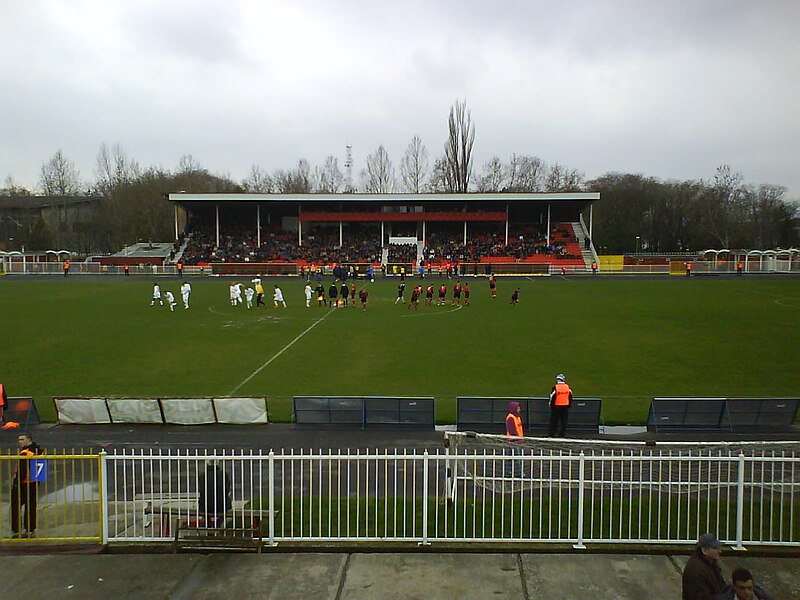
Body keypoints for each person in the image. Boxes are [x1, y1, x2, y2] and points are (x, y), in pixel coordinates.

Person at [11, 432, 44, 538]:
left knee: (16, 506)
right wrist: (38, 481)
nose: (19, 442)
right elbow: (41, 467)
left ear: (28, 439)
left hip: (23, 483)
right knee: (31, 506)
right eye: (19, 440)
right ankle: (30, 528)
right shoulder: (39, 450)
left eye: (22, 439)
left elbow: (22, 470)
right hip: (34, 483)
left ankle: (16, 529)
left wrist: (16, 483)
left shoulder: (26, 452)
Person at [682, 533, 726, 600]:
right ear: (704, 551)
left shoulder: (711, 563)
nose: (720, 551)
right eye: (715, 548)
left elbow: (722, 586)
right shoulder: (696, 570)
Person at [197, 461, 232, 528]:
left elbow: (201, 491)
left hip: (206, 505)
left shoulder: (203, 476)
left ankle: (209, 525)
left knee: (203, 505)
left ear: (207, 464)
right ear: (217, 463)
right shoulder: (224, 474)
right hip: (221, 505)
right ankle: (218, 525)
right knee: (225, 507)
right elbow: (227, 490)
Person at [548, 373, 573, 437]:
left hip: (556, 407)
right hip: (565, 407)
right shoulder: (568, 387)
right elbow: (570, 397)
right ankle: (562, 434)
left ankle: (552, 434)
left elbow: (552, 397)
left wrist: (551, 406)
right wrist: (569, 405)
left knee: (554, 421)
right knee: (564, 422)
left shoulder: (555, 387)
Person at [505, 401, 524, 477]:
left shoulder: (517, 417)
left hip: (515, 440)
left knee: (510, 457)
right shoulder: (511, 418)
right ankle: (519, 473)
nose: (519, 409)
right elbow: (512, 430)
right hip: (513, 441)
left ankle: (508, 471)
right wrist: (517, 439)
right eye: (518, 408)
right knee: (517, 457)